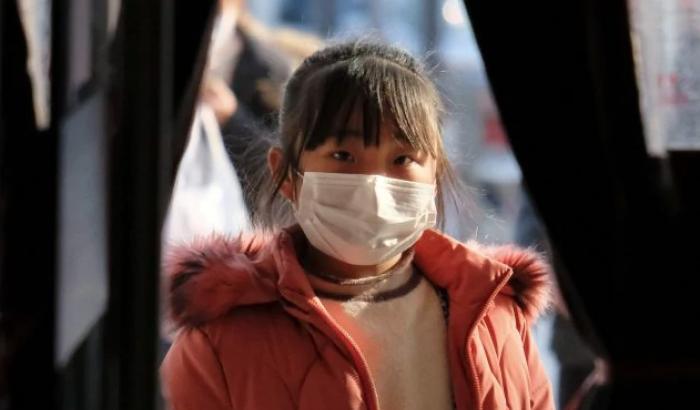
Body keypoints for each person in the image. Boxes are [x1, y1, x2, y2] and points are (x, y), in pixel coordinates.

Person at [161, 40, 555, 410]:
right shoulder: (220, 340)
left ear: (435, 173)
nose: (374, 184)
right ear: (286, 175)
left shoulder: (495, 316)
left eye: (402, 159)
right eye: (343, 155)